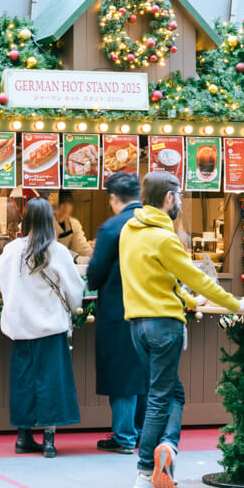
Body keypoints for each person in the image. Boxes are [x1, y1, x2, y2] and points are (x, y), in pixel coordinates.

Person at [120, 172, 244, 488]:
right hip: (164, 325)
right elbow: (195, 276)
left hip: (137, 325)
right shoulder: (164, 238)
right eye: (178, 196)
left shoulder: (129, 231)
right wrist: (234, 304)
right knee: (159, 396)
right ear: (169, 198)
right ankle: (144, 470)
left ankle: (166, 448)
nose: (179, 202)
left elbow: (156, 279)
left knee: (170, 392)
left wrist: (190, 301)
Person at [0, 197, 84, 458]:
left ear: (26, 220)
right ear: (49, 220)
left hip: (19, 328)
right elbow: (75, 291)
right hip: (50, 329)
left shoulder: (11, 249)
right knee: (51, 382)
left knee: (23, 381)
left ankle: (23, 437)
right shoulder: (57, 251)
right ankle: (49, 441)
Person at [85, 172, 147, 455]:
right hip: (152, 307)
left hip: (118, 308)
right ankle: (144, 432)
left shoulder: (111, 228)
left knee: (121, 372)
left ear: (113, 198)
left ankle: (124, 436)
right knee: (144, 370)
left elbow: (94, 275)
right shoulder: (156, 222)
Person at [54, 190, 93, 261]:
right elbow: (52, 249)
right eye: (62, 203)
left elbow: (82, 247)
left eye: (68, 203)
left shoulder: (74, 223)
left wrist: (95, 256)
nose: (65, 207)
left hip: (67, 263)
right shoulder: (47, 222)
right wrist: (76, 257)